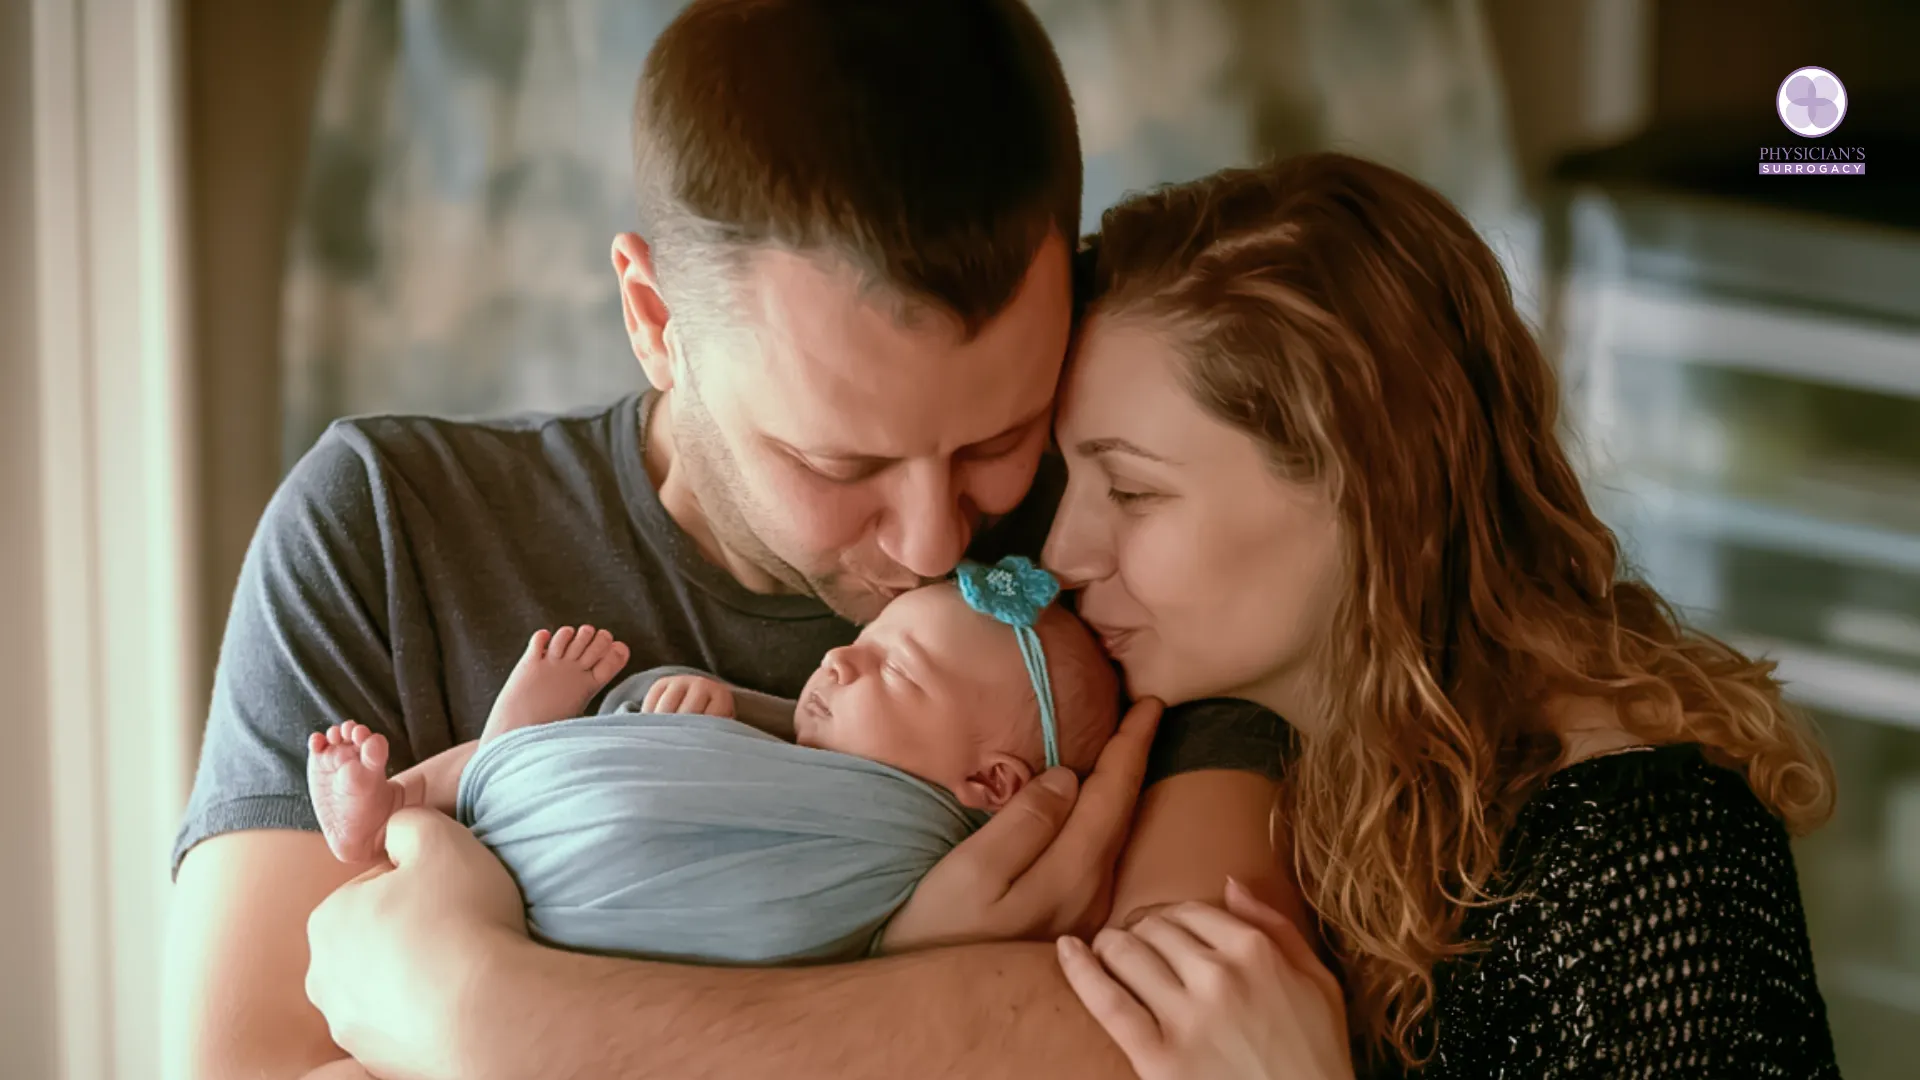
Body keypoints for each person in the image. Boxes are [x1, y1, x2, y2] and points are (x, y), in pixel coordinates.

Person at [163, 4, 1301, 1078]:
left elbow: (1188, 1051)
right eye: (837, 464)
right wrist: (943, 1011)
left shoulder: (1109, 557)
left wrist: (505, 1021)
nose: (932, 537)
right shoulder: (386, 527)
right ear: (656, 322)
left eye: (998, 437)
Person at [1041, 153, 1840, 1078]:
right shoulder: (1315, 767)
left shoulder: (1647, 862)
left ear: (1369, 489)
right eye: (1072, 481)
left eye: (1132, 491)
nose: (1063, 554)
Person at [303, 568, 1120, 966]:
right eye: (862, 641)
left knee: (504, 793)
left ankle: (467, 775)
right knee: (509, 768)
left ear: (993, 786)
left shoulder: (917, 849)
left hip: (578, 921)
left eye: (896, 671)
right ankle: (403, 797)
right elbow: (716, 779)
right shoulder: (797, 749)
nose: (837, 659)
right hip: (551, 819)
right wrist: (698, 715)